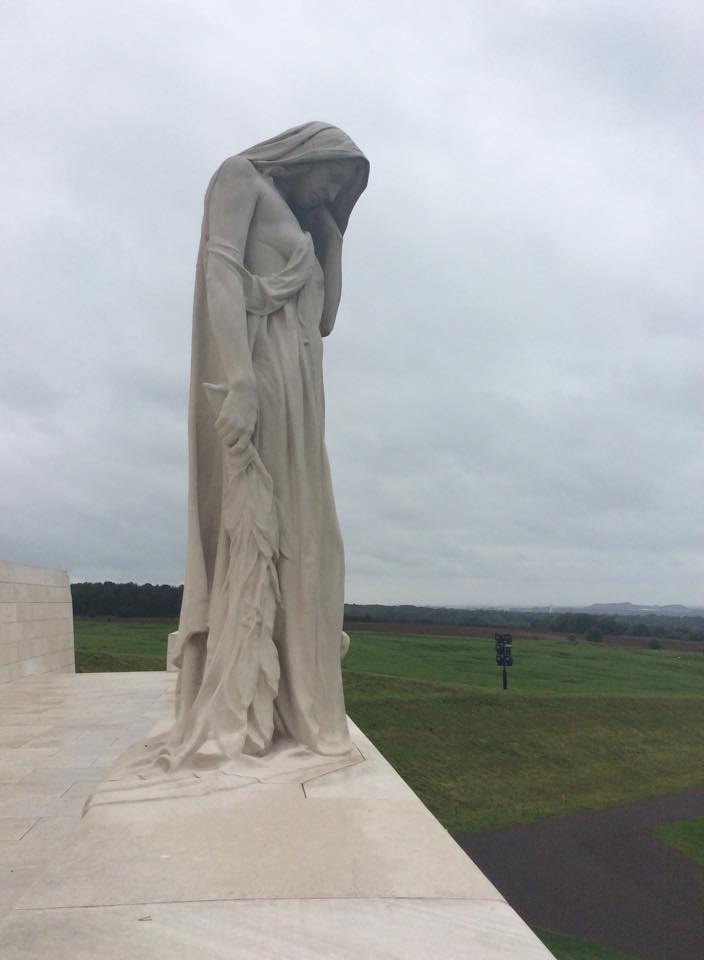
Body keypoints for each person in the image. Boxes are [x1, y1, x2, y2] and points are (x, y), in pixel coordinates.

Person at [160, 123, 369, 774]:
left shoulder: (308, 230)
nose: (334, 188)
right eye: (331, 173)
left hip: (305, 391)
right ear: (303, 153)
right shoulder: (239, 177)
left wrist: (332, 242)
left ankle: (305, 707)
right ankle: (248, 702)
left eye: (344, 184)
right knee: (271, 532)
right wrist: (242, 381)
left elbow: (326, 320)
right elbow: (222, 272)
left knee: (314, 540)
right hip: (267, 376)